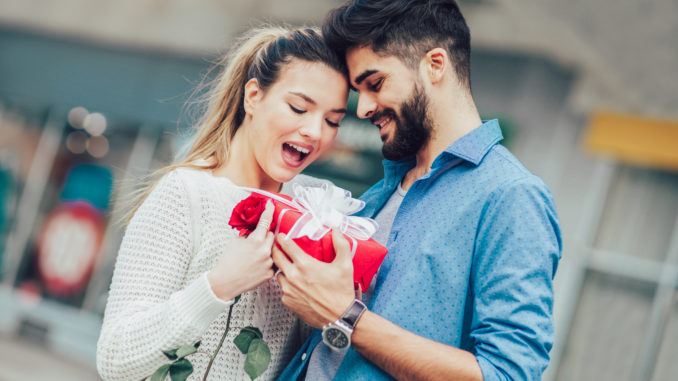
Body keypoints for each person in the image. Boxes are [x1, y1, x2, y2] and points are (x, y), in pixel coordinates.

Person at [273, 1, 562, 380]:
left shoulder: (511, 196)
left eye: (375, 84)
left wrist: (344, 315)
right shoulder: (382, 191)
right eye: (360, 91)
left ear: (435, 64)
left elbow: (507, 373)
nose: (364, 108)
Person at [96, 26, 349, 381]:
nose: (316, 132)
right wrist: (218, 286)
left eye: (332, 120)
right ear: (253, 97)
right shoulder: (185, 194)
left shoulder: (316, 215)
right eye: (298, 108)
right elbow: (115, 358)